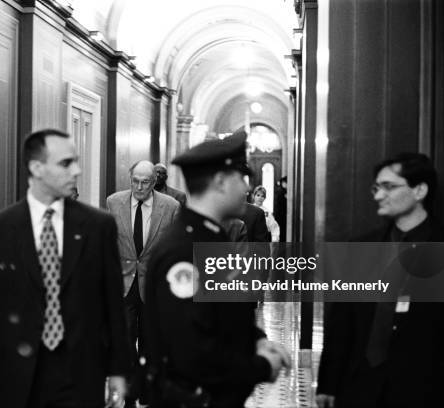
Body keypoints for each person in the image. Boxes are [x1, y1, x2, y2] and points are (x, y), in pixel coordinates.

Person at [0, 129, 129, 408]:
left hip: (82, 373)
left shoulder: (98, 226)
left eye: (75, 161)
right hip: (17, 374)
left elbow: (113, 304)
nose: (77, 170)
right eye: (65, 163)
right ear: (36, 168)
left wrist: (118, 370)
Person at [144, 133, 290, 407]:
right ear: (221, 182)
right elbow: (191, 352)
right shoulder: (184, 252)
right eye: (241, 178)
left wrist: (256, 340)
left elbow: (223, 316)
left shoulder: (212, 238)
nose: (247, 189)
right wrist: (260, 367)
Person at [317, 153, 444, 408]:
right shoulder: (363, 247)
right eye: (376, 187)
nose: (378, 196)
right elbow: (342, 322)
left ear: (419, 190)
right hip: (360, 386)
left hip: (422, 389)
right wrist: (328, 384)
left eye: (389, 187)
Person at [106, 160, 180, 406]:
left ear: (154, 182)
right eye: (135, 181)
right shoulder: (113, 202)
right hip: (123, 283)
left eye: (145, 182)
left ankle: (148, 392)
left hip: (155, 287)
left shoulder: (170, 207)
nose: (139, 186)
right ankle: (129, 395)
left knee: (151, 342)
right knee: (125, 341)